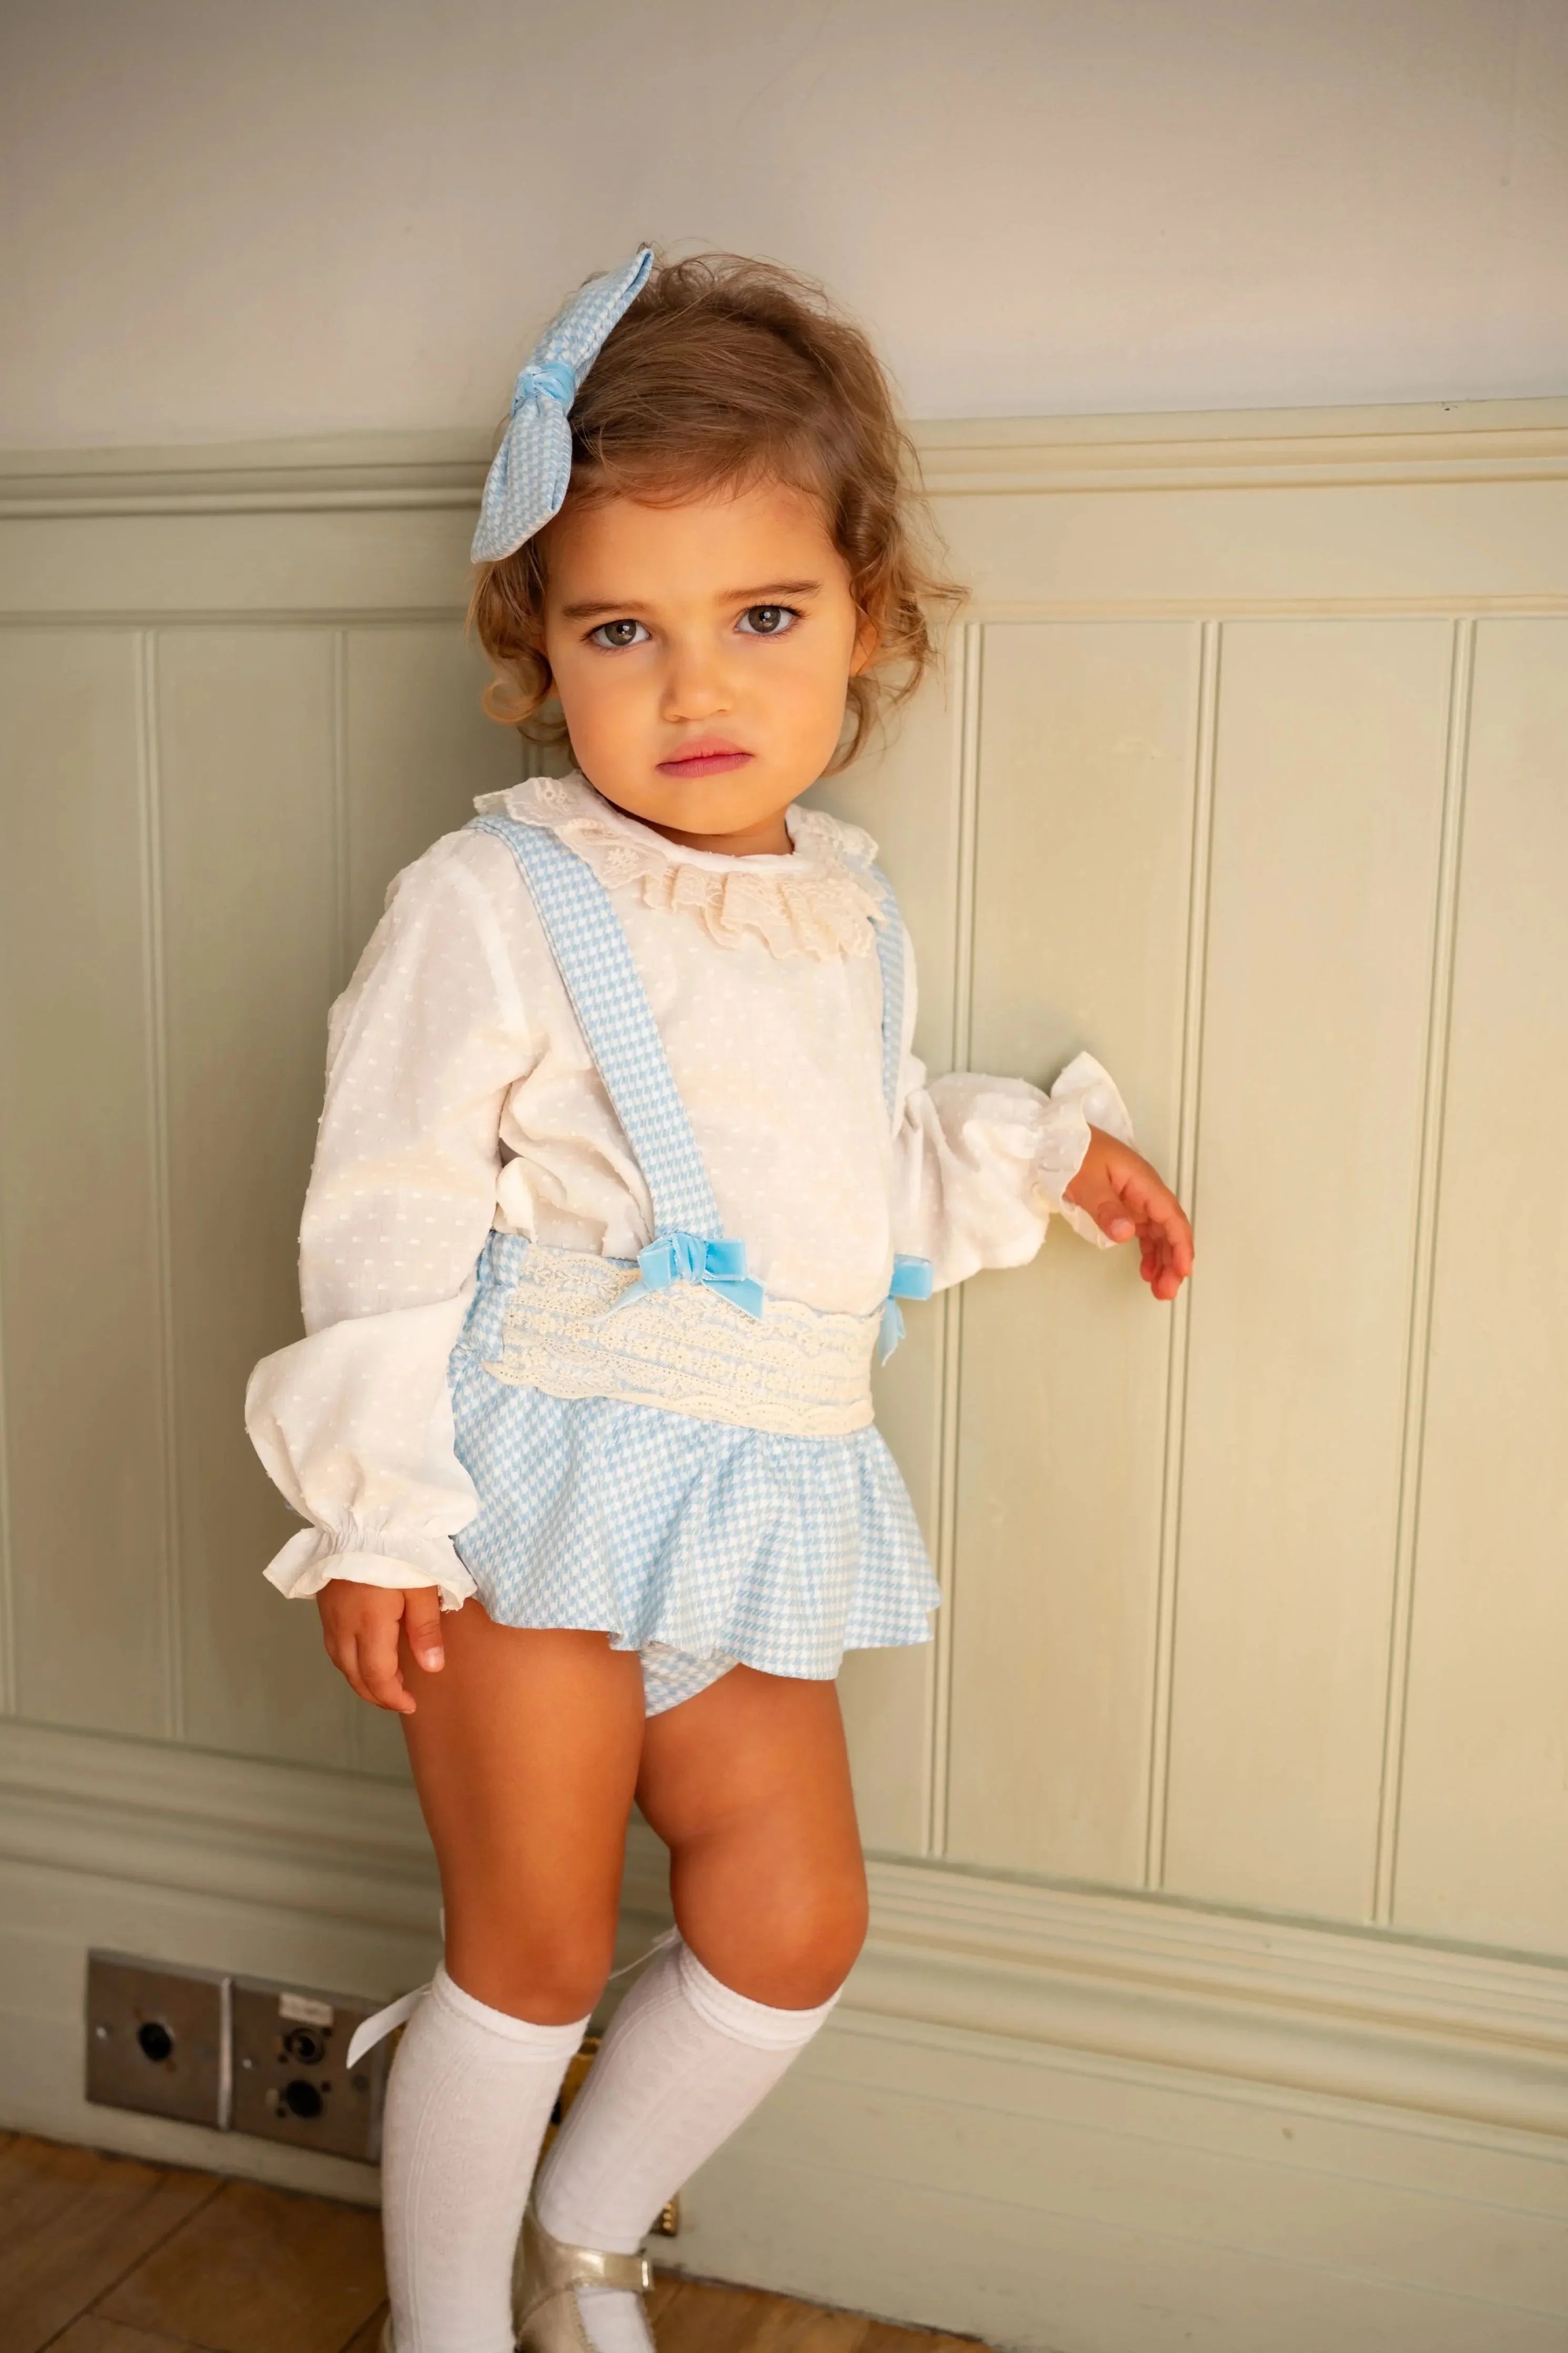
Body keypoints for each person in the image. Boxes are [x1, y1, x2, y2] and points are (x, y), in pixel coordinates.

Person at [245, 244, 1193, 2353]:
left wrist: (1029, 1150)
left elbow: (828, 1163)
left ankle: (585, 2226)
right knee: (534, 1939)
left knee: (787, 1921)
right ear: (537, 649)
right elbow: (385, 1199)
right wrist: (381, 1511)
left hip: (759, 1480)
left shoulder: (842, 907)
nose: (696, 691)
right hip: (534, 1475)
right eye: (621, 630)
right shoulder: (496, 895)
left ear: (867, 623)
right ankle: (447, 2322)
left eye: (760, 618)